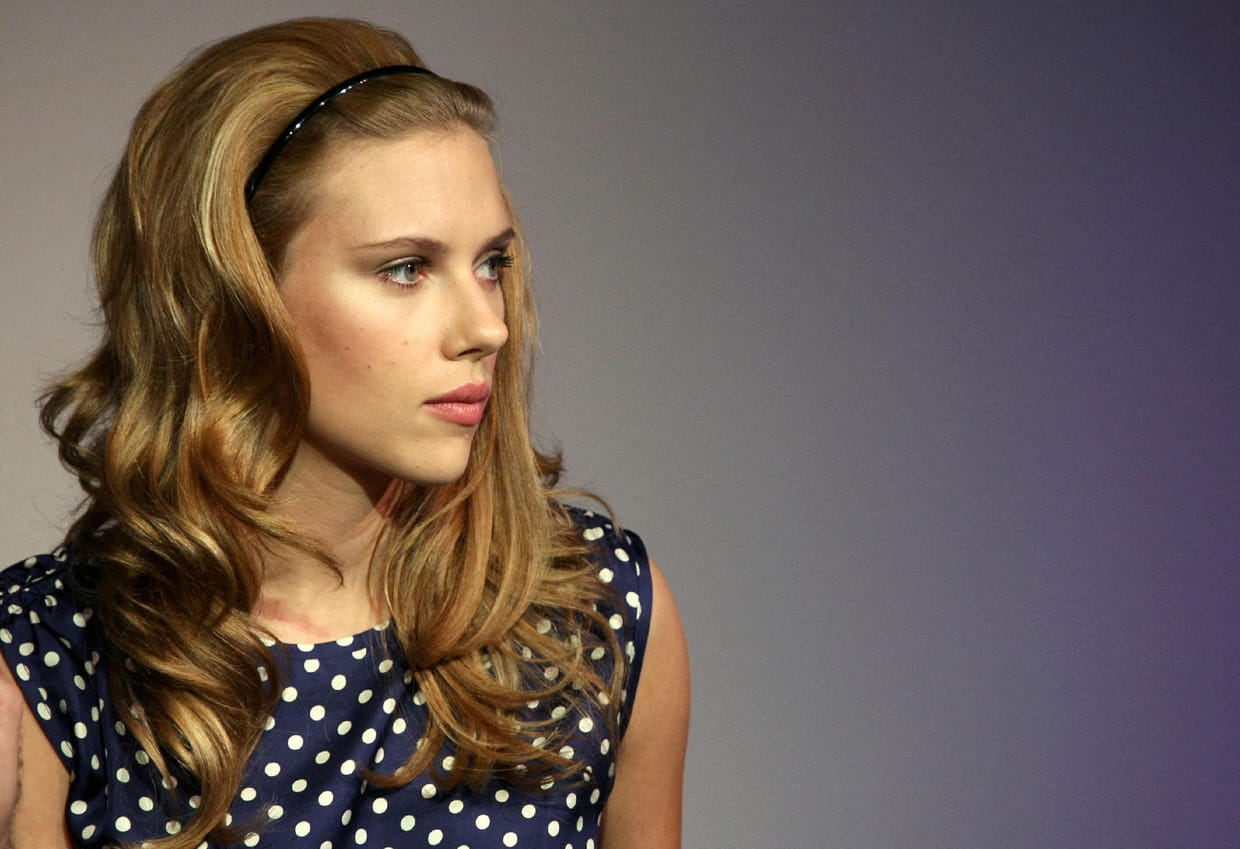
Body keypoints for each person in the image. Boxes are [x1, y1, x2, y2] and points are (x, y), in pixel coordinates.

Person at [0, 17, 689, 849]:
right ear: (236, 296)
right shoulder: (47, 663)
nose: (488, 327)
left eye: (492, 264)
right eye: (406, 268)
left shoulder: (595, 618)